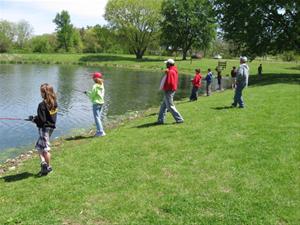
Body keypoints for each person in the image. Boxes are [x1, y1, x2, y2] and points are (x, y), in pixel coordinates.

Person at [31, 83, 58, 176]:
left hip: (44, 129)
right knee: (39, 146)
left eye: (41, 92)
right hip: (51, 127)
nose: (40, 94)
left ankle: (48, 167)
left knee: (45, 149)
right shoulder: (54, 102)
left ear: (44, 93)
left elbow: (42, 120)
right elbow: (48, 116)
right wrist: (35, 118)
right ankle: (44, 163)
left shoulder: (42, 105)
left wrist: (34, 120)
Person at [157, 59, 184, 124]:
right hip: (170, 90)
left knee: (170, 106)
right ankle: (160, 120)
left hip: (169, 91)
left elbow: (170, 83)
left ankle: (179, 119)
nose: (166, 64)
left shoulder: (171, 71)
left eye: (166, 63)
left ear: (169, 64)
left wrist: (165, 89)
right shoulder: (172, 70)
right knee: (163, 106)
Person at [85, 72, 106, 137]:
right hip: (101, 103)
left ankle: (100, 132)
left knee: (97, 118)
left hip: (96, 103)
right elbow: (97, 94)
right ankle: (100, 131)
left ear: (95, 78)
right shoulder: (102, 84)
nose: (92, 78)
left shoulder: (95, 86)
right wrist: (89, 92)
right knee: (98, 117)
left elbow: (92, 96)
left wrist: (87, 93)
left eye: (93, 77)